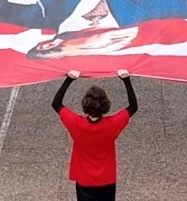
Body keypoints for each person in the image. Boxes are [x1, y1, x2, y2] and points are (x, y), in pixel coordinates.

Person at [52, 69, 138, 201]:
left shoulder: (76, 124)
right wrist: (126, 80)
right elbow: (133, 107)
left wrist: (69, 79)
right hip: (106, 179)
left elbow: (56, 104)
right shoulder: (112, 124)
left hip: (84, 179)